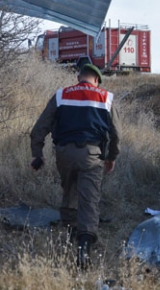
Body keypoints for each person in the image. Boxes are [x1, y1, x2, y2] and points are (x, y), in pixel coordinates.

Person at [30, 64, 120, 269]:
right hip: (91, 155)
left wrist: (37, 154)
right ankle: (83, 247)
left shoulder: (61, 95)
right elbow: (117, 134)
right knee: (89, 199)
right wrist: (111, 157)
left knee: (69, 189)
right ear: (96, 80)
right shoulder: (105, 97)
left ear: (79, 77)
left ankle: (71, 231)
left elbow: (39, 128)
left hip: (63, 153)